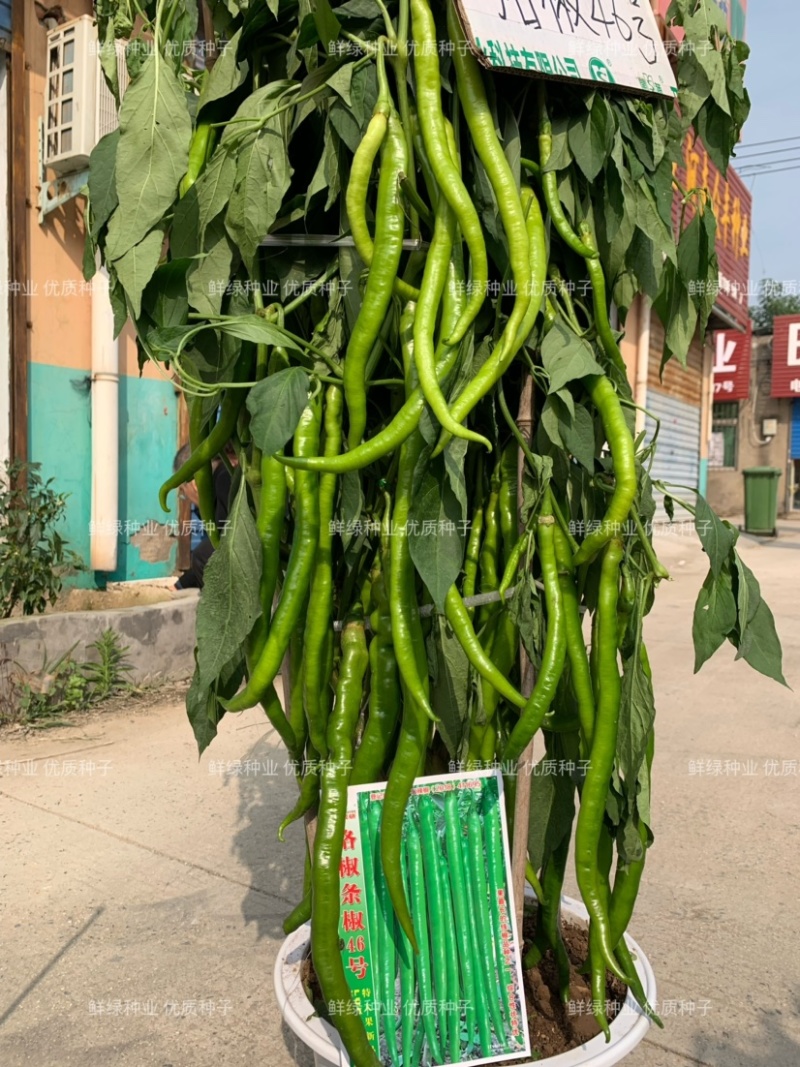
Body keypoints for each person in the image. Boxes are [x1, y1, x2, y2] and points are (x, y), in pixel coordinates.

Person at [173, 449, 234, 590]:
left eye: (182, 491)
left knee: (203, 557)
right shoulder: (224, 475)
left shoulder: (224, 479)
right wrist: (180, 584)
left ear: (193, 484)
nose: (186, 498)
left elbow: (222, 547)